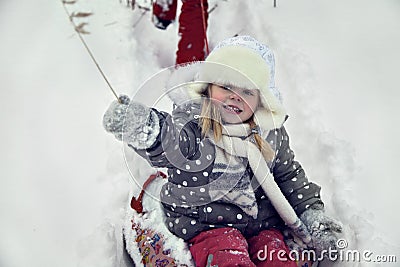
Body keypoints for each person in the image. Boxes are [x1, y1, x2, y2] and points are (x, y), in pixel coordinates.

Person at [103, 36, 342, 266]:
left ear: (261, 101)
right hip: (207, 224)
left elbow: (289, 176)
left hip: (262, 225)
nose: (234, 97)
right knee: (227, 256)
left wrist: (312, 213)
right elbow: (169, 142)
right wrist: (145, 126)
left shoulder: (270, 135)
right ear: (207, 88)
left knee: (275, 256)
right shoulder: (193, 126)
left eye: (247, 91)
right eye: (226, 85)